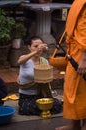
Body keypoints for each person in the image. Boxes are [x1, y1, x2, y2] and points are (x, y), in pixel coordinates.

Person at [56, 0, 86, 130]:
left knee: (81, 91)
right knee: (72, 90)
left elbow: (84, 31)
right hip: (74, 51)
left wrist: (84, 58)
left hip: (82, 54)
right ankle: (74, 124)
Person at [17, 36, 62, 115]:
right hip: (27, 96)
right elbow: (19, 62)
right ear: (29, 47)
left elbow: (47, 79)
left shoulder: (44, 61)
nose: (38, 49)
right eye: (35, 46)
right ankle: (44, 110)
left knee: (57, 104)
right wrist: (36, 51)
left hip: (40, 95)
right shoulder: (24, 59)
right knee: (25, 108)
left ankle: (43, 109)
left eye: (40, 46)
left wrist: (47, 79)